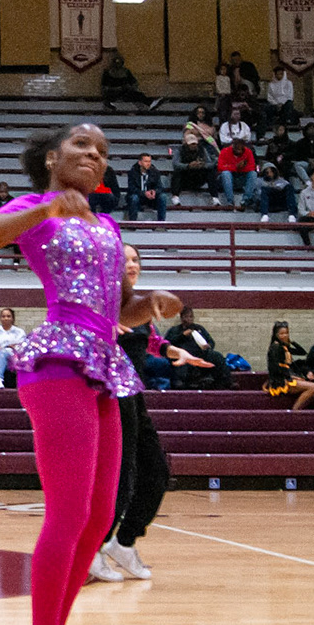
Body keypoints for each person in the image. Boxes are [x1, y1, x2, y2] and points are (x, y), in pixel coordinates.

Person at [0, 121, 178, 625]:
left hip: (104, 364)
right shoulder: (37, 210)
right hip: (58, 364)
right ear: (52, 157)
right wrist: (47, 206)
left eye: (102, 151)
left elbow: (119, 310)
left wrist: (150, 303)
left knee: (100, 516)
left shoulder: (107, 225)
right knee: (69, 512)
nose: (94, 155)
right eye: (82, 145)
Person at [98, 246, 196, 583]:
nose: (131, 265)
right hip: (109, 397)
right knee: (121, 476)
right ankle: (94, 547)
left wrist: (171, 349)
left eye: (135, 260)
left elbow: (149, 339)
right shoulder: (99, 303)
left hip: (134, 397)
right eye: (124, 260)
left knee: (156, 471)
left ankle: (124, 542)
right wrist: (102, 329)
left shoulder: (138, 307)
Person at [164, 307, 231, 389]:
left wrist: (208, 345)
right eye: (186, 317)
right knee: (179, 363)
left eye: (191, 317)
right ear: (182, 318)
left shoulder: (199, 329)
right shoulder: (175, 330)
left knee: (217, 356)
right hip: (183, 355)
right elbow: (167, 343)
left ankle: (226, 382)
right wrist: (182, 335)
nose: (189, 319)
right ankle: (181, 384)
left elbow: (211, 342)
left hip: (200, 354)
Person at [264, 321, 314, 410]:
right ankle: (295, 410)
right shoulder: (275, 347)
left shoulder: (284, 347)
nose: (284, 336)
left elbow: (302, 352)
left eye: (286, 333)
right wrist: (291, 377)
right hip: (281, 381)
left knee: (313, 386)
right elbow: (275, 367)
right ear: (276, 335)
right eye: (281, 334)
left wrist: (291, 341)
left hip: (287, 377)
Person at [0, 307, 27, 389]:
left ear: (12, 318)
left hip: (14, 358)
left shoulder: (19, 332)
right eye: (3, 316)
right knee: (3, 352)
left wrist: (4, 348)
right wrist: (9, 347)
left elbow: (21, 348)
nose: (6, 318)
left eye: (8, 316)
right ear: (0, 318)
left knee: (7, 352)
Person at [216, 138, 259, 211]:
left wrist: (241, 167)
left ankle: (245, 200)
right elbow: (220, 167)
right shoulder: (225, 151)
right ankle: (230, 201)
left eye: (240, 149)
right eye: (237, 149)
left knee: (253, 174)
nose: (238, 151)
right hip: (226, 179)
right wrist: (235, 167)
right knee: (226, 173)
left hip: (241, 177)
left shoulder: (248, 152)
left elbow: (252, 167)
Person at [173, 127, 214, 200]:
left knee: (210, 172)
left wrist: (203, 165)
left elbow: (210, 163)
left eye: (195, 144)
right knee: (177, 173)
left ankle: (214, 197)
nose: (193, 146)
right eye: (191, 144)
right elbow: (175, 164)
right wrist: (188, 166)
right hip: (186, 176)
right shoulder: (180, 150)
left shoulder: (202, 150)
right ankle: (175, 196)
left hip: (199, 175)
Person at [125, 154, 167, 221]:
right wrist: (144, 193)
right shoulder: (132, 172)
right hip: (139, 197)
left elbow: (159, 187)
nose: (148, 164)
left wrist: (154, 192)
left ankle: (161, 222)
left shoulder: (155, 172)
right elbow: (131, 188)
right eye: (146, 161)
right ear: (140, 162)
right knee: (134, 198)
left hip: (152, 198)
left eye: (149, 161)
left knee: (163, 197)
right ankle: (132, 222)